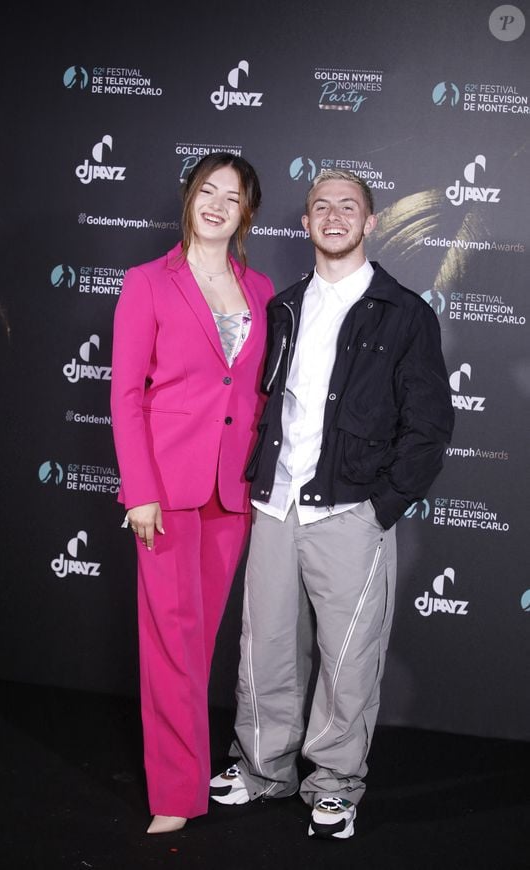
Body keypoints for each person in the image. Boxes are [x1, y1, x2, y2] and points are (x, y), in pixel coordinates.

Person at [210, 169, 454, 840]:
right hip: (275, 507)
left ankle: (336, 786)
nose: (335, 215)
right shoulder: (283, 306)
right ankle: (262, 769)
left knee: (347, 661)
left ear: (370, 223)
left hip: (351, 512)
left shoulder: (404, 313)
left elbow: (429, 428)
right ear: (308, 222)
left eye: (349, 206)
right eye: (322, 206)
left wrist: (381, 508)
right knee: (265, 654)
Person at [110, 153, 274, 834]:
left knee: (199, 642)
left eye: (230, 198)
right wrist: (140, 492)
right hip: (168, 489)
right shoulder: (148, 282)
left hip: (231, 491)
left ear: (246, 214)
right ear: (189, 199)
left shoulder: (262, 288)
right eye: (206, 191)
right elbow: (124, 393)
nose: (215, 205)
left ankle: (187, 765)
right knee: (170, 642)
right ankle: (175, 794)